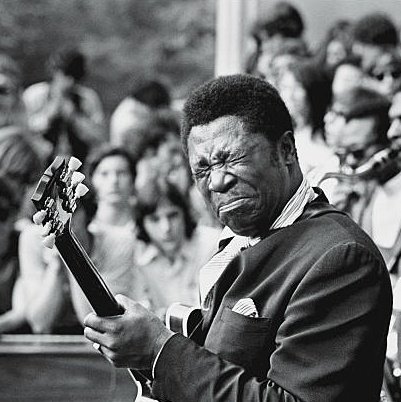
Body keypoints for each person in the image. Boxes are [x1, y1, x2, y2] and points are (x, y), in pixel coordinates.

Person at [79, 74, 391, 401]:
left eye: (231, 158)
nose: (216, 181)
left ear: (285, 150)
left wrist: (159, 350)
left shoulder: (340, 258)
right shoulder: (238, 240)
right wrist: (146, 353)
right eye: (201, 169)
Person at [135, 182, 218, 320]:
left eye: (172, 215)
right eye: (154, 219)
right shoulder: (139, 258)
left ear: (184, 214)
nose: (166, 228)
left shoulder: (212, 244)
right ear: (142, 224)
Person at [23, 47, 105, 163]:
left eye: (75, 78)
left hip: (79, 161)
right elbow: (23, 130)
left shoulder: (87, 98)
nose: (70, 82)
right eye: (66, 75)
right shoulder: (35, 94)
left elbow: (98, 136)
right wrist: (48, 116)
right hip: (39, 161)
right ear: (55, 72)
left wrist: (74, 117)